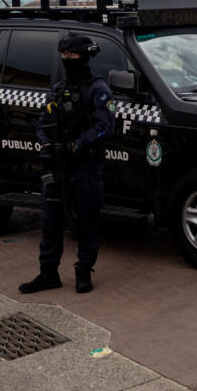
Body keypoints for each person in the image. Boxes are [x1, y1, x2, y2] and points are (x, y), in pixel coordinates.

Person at [20, 33, 114, 294]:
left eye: (72, 55)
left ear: (84, 56)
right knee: (50, 222)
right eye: (64, 55)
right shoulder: (57, 89)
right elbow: (42, 123)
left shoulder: (98, 90)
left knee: (86, 221)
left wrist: (76, 146)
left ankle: (84, 271)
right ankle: (48, 273)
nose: (67, 59)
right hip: (57, 167)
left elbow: (106, 127)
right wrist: (48, 146)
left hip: (85, 167)